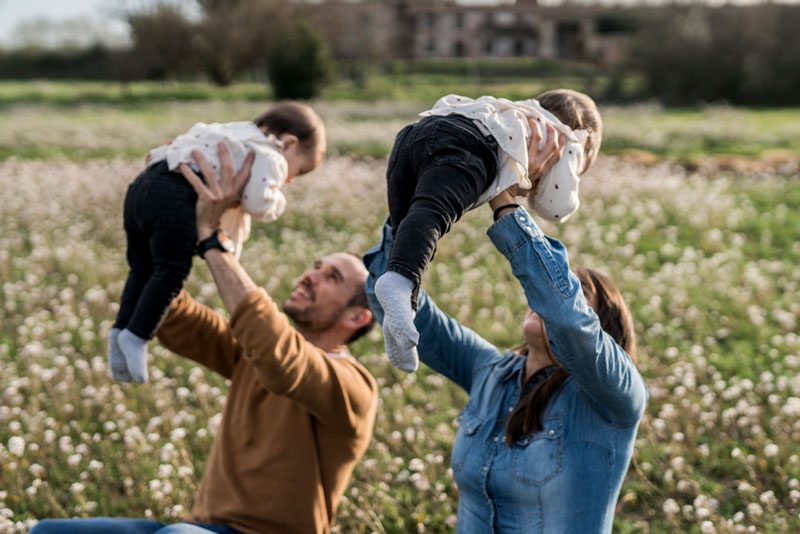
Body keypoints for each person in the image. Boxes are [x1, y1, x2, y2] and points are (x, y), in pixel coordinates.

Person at [33, 146, 377, 534]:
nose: (309, 276)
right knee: (48, 531)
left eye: (332, 277)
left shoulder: (353, 387)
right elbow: (176, 319)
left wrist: (214, 243)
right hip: (202, 527)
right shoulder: (254, 351)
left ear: (357, 317)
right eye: (316, 266)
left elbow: (283, 360)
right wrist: (165, 204)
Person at [364, 140, 647, 532]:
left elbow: (568, 322)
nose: (542, 299)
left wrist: (506, 203)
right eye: (547, 289)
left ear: (602, 326)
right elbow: (400, 310)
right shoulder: (490, 371)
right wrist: (416, 200)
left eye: (573, 294)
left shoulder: (614, 398)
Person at [373, 90, 602, 373]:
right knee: (434, 213)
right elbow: (556, 206)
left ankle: (402, 309)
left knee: (409, 229)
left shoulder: (506, 112)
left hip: (414, 135)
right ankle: (398, 284)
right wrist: (528, 183)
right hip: (470, 146)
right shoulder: (562, 140)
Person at [110, 101, 326, 383]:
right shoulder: (270, 155)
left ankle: (119, 333)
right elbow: (257, 201)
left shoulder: (229, 132)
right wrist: (278, 202)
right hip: (175, 196)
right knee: (170, 272)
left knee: (141, 270)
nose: (289, 180)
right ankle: (137, 335)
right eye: (297, 172)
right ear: (288, 143)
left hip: (143, 186)